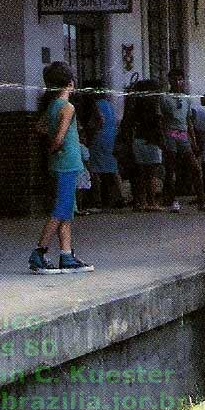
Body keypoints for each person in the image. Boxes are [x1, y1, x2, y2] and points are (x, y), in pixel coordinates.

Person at [29, 62, 94, 274]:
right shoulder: (68, 107)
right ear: (70, 84)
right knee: (60, 210)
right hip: (68, 161)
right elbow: (60, 136)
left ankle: (66, 255)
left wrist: (52, 145)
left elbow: (39, 127)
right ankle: (39, 251)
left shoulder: (52, 106)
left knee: (66, 211)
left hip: (59, 163)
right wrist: (55, 147)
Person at [158, 69, 205, 212]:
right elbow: (161, 119)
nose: (178, 83)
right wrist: (162, 138)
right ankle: (171, 200)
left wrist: (194, 141)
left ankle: (202, 200)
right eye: (174, 80)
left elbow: (188, 121)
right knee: (171, 168)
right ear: (170, 81)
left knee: (195, 168)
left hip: (183, 134)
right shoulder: (165, 98)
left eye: (180, 79)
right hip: (170, 132)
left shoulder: (186, 98)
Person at [121, 79, 164, 211]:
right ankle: (151, 201)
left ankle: (139, 201)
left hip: (137, 140)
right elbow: (159, 124)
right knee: (151, 174)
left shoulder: (134, 105)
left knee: (139, 173)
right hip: (151, 141)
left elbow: (126, 123)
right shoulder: (155, 106)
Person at [87, 83, 125, 209]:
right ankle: (120, 196)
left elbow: (98, 121)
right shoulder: (110, 105)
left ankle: (96, 200)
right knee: (113, 169)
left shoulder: (95, 105)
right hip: (111, 137)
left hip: (99, 138)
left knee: (95, 169)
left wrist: (90, 132)